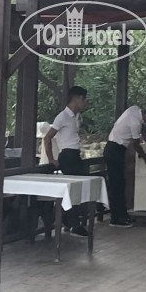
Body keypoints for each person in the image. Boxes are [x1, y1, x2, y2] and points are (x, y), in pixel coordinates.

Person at [103, 105, 146, 228]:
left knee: (119, 182)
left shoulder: (134, 109)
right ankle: (116, 218)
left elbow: (143, 130)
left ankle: (121, 215)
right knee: (117, 185)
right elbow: (136, 145)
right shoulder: (135, 123)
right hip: (115, 149)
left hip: (116, 148)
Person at [43, 86, 89, 238]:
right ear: (77, 98)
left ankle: (69, 221)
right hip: (67, 156)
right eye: (83, 99)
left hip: (75, 155)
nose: (85, 102)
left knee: (78, 188)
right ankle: (73, 224)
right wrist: (51, 159)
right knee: (72, 190)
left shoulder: (75, 116)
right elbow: (47, 137)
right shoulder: (62, 116)